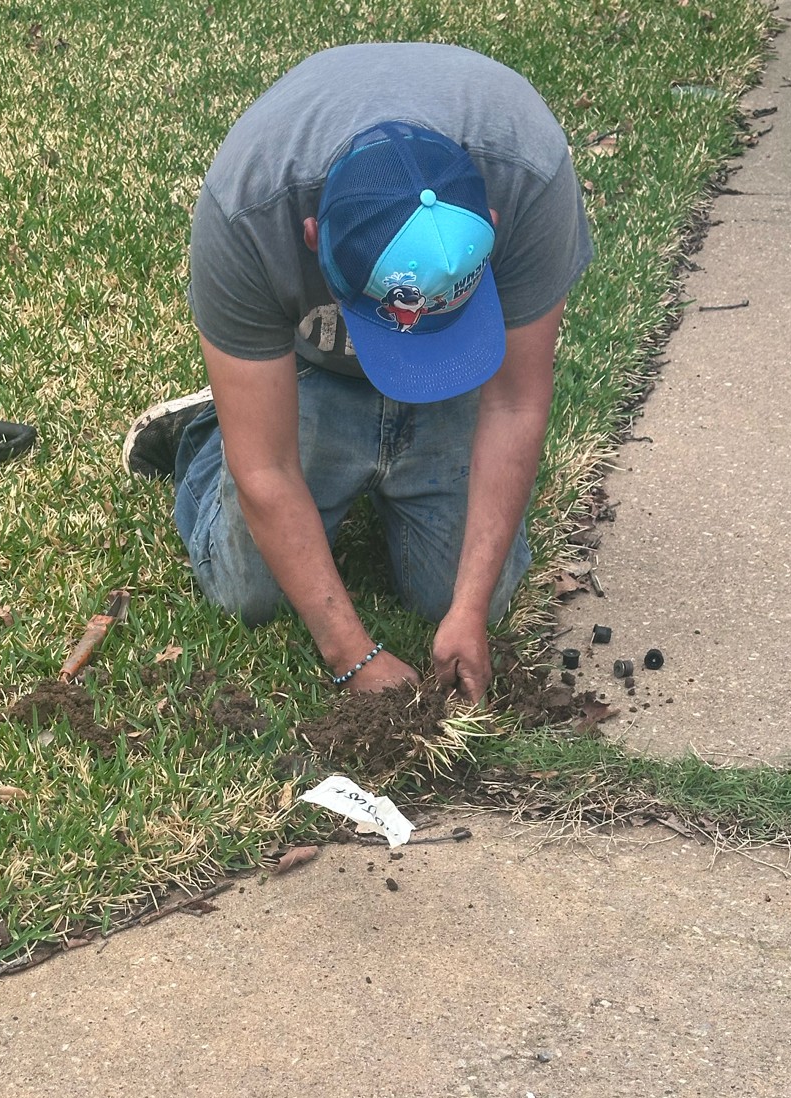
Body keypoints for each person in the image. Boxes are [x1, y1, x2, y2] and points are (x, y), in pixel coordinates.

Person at [123, 41, 592, 702]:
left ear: (489, 224)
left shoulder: (527, 172)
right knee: (247, 590)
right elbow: (265, 470)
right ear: (313, 237)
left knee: (463, 593)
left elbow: (514, 402)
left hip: (455, 383)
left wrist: (468, 608)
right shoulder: (249, 207)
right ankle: (206, 433)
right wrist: (352, 653)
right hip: (316, 372)